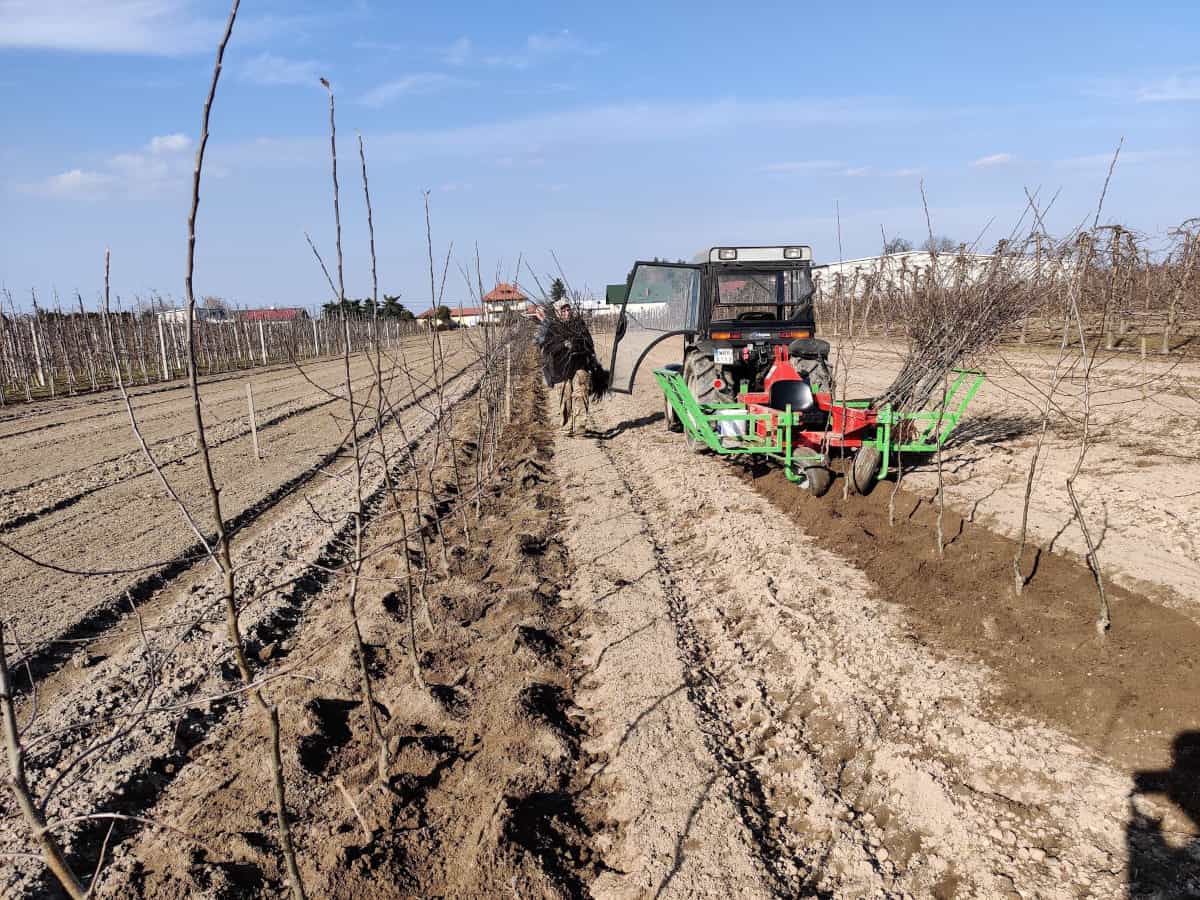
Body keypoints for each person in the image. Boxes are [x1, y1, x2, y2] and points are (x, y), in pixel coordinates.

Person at [534, 298, 595, 436]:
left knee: (580, 395)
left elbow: (589, 344)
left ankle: (580, 428)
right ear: (557, 312)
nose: (567, 312)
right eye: (563, 310)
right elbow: (548, 348)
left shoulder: (578, 325)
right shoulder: (552, 328)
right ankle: (567, 427)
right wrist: (563, 345)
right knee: (565, 399)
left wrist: (576, 345)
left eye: (568, 309)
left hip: (579, 366)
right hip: (561, 369)